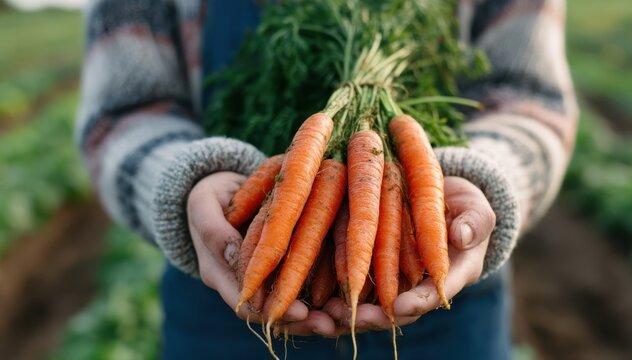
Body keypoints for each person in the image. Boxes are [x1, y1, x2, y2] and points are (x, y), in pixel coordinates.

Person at [76, 0, 577, 358]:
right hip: (225, 291)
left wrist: (484, 179)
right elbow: (122, 113)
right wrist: (187, 182)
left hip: (440, 288)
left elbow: (529, 99)